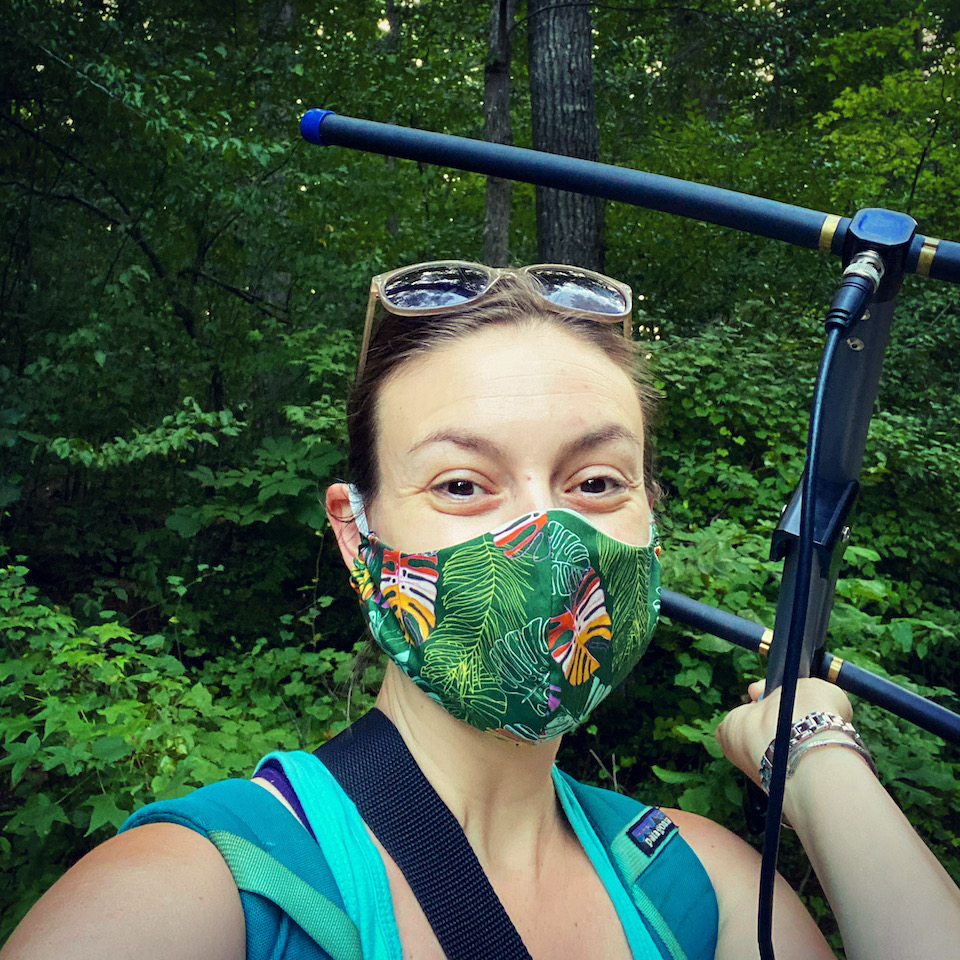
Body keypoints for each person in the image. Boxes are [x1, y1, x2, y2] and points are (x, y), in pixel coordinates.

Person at [2, 261, 958, 960]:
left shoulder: (689, 888)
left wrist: (818, 754)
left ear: (649, 524)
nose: (544, 534)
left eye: (594, 481)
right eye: (463, 484)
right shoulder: (206, 892)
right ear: (356, 534)